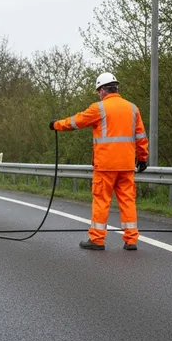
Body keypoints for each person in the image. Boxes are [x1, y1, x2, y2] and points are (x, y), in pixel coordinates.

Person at [50, 72, 149, 251]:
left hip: (105, 165)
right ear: (115, 88)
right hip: (126, 165)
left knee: (101, 201)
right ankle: (131, 239)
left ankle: (97, 239)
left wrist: (56, 124)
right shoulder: (133, 108)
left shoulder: (99, 108)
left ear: (103, 90)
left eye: (98, 91)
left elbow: (76, 121)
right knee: (127, 201)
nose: (98, 94)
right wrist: (142, 157)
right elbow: (141, 135)